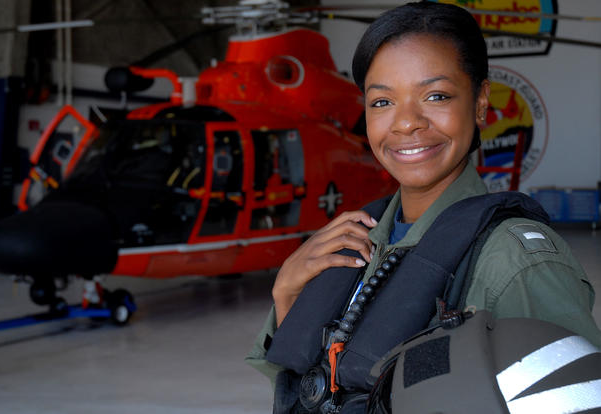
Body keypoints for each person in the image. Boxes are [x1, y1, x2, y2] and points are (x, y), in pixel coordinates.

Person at [246, 2, 601, 413]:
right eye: (382, 102)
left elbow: (573, 397)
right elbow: (307, 391)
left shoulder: (514, 261)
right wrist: (287, 292)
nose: (406, 123)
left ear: (481, 102)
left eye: (436, 95)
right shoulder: (358, 236)